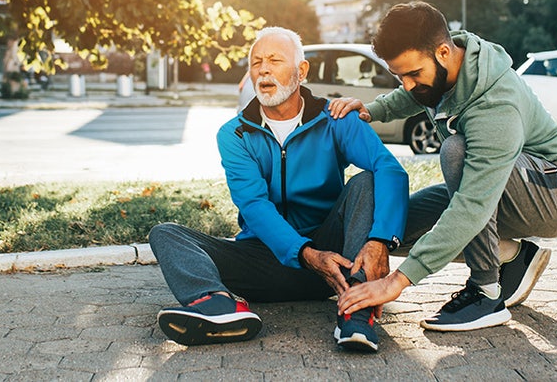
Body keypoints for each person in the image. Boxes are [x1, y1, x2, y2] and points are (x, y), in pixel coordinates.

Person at [148, 27, 409, 352]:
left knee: (367, 181)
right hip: (264, 260)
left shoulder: (336, 119)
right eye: (256, 62)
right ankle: (217, 306)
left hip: (335, 261)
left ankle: (358, 309)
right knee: (166, 233)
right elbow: (254, 206)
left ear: (301, 71)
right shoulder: (235, 134)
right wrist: (305, 254)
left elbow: (390, 170)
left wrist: (380, 241)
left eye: (274, 60)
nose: (264, 69)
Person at [330, 1, 557, 332]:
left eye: (413, 74)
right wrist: (371, 111)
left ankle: (486, 293)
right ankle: (510, 256)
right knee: (394, 229)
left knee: (456, 152)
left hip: (555, 192)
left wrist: (396, 282)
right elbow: (413, 95)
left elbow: (472, 206)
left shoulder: (495, 103)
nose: (407, 84)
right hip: (504, 187)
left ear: (443, 52)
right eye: (399, 75)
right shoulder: (444, 69)